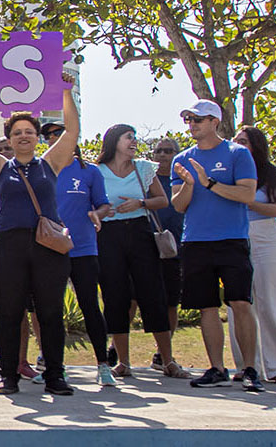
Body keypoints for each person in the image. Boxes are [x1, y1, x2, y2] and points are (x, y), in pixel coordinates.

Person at [0, 76, 79, 396]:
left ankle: (55, 376)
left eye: (29, 131)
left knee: (50, 313)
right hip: (8, 247)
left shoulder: (50, 164)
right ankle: (10, 378)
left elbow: (71, 131)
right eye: (18, 133)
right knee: (11, 313)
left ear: (37, 137)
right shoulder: (1, 168)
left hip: (47, 246)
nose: (24, 136)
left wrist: (67, 93)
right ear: (10, 139)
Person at [171, 99, 262, 391]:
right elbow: (179, 206)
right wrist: (189, 184)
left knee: (240, 303)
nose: (192, 124)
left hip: (232, 239)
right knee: (206, 307)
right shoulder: (181, 159)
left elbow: (247, 195)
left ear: (214, 122)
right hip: (196, 241)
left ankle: (249, 369)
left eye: (198, 119)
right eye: (189, 119)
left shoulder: (238, 154)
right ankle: (217, 369)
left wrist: (209, 183)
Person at [94, 124, 188, 379]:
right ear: (114, 141)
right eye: (129, 137)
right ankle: (123, 362)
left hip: (140, 232)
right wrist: (104, 210)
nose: (134, 142)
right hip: (109, 235)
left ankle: (167, 360)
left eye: (135, 138)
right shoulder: (97, 171)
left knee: (153, 293)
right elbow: (90, 204)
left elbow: (163, 200)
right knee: (115, 296)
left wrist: (141, 203)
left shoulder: (144, 168)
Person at [226, 126, 276, 383]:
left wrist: (247, 200)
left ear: (256, 146)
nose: (238, 145)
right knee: (239, 304)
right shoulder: (229, 173)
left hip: (266, 237)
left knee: (273, 302)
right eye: (235, 141)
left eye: (243, 141)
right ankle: (248, 366)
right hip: (235, 236)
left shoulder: (271, 174)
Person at [47, 127, 116, 385]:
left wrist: (99, 214)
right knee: (52, 311)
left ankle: (103, 365)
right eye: (50, 137)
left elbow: (104, 204)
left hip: (84, 250)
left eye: (59, 135)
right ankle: (56, 367)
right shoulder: (44, 170)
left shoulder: (90, 172)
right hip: (52, 250)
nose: (54, 140)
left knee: (90, 306)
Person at [151, 136, 185, 362]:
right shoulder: (146, 180)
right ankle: (116, 347)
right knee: (133, 299)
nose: (163, 155)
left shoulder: (185, 180)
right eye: (159, 151)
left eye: (168, 151)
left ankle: (163, 353)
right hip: (148, 248)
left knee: (171, 302)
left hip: (177, 250)